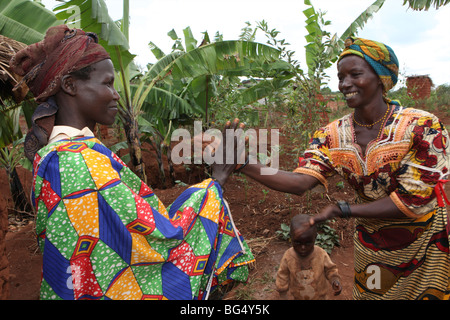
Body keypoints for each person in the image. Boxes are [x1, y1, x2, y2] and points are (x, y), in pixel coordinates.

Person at [10, 25, 254, 300]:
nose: (116, 94)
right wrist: (217, 180)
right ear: (69, 85)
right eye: (107, 83)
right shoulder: (80, 163)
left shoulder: (55, 158)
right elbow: (161, 239)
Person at [240, 37, 450, 300]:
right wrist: (245, 164)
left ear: (381, 78)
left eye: (355, 74)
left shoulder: (422, 126)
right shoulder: (332, 135)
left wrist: (344, 210)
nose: (344, 84)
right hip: (372, 244)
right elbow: (299, 182)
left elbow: (415, 201)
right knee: (372, 294)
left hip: (424, 245)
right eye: (341, 77)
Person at [276, 214, 341, 300]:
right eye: (298, 243)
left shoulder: (320, 254)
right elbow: (282, 275)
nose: (303, 248)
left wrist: (334, 280)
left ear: (315, 237)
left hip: (320, 297)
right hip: (298, 297)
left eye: (308, 243)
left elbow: (330, 269)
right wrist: (282, 293)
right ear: (291, 237)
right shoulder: (288, 256)